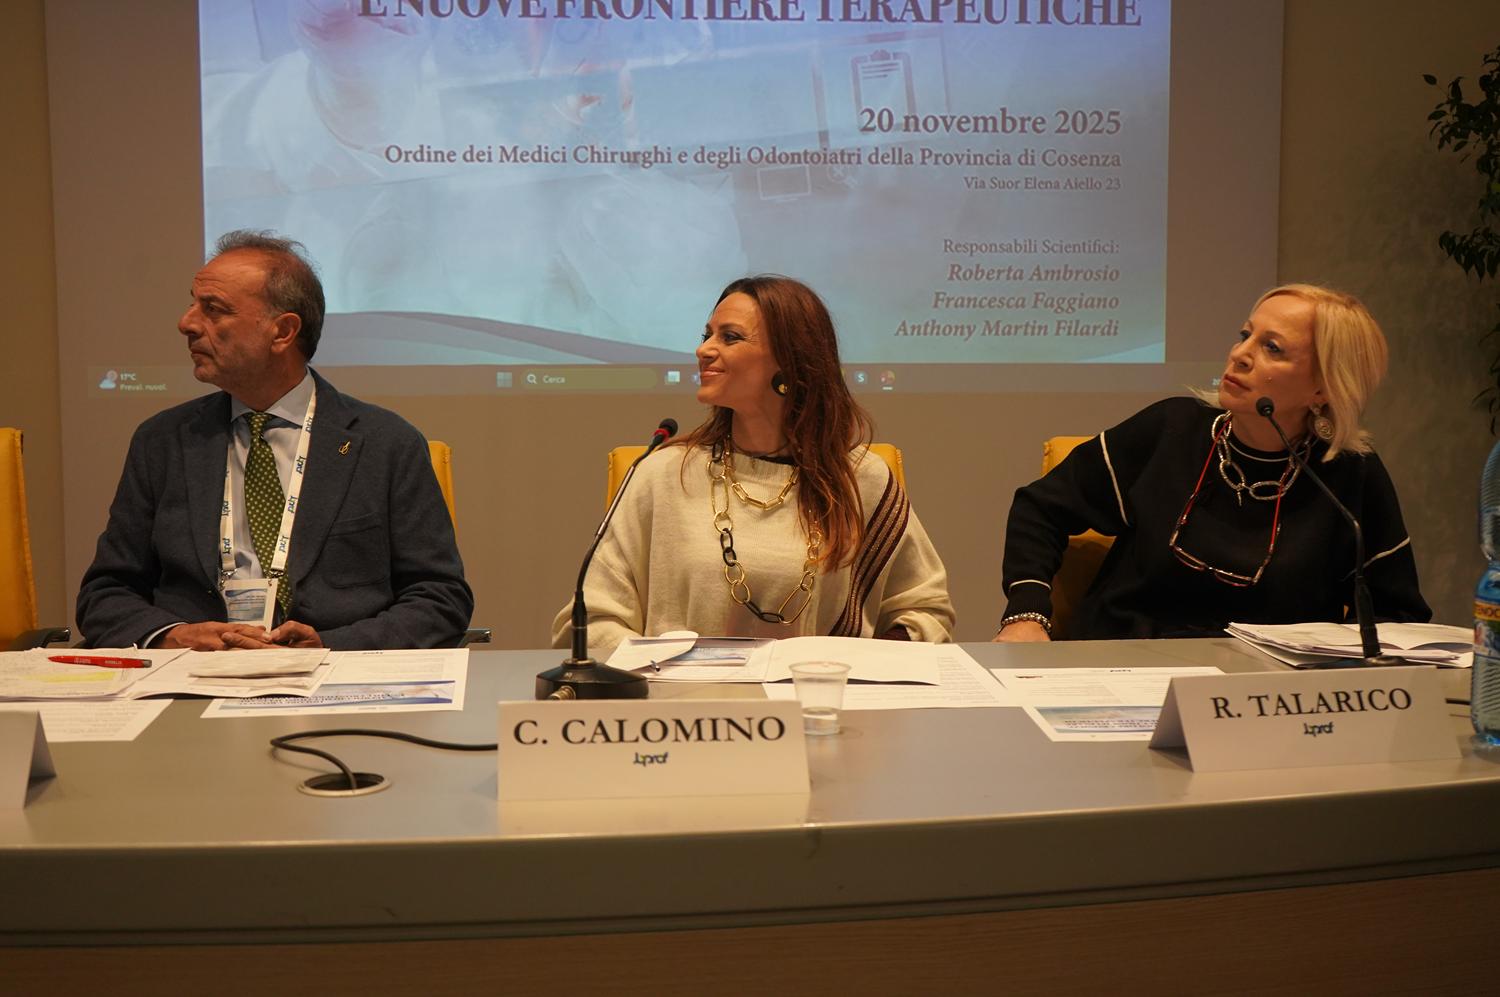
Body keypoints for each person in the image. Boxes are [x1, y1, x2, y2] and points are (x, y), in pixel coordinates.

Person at [77, 230, 473, 651]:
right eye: (193, 304)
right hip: (193, 674)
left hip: (337, 675)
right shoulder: (163, 442)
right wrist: (176, 635)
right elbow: (106, 595)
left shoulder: (385, 443)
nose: (186, 323)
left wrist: (330, 646)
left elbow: (440, 597)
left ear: (282, 332)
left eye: (213, 309)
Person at [996, 283, 1431, 642]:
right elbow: (1041, 509)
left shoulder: (1350, 474)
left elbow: (1397, 616)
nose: (1240, 354)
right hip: (1123, 669)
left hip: (1266, 696)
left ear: (1323, 388)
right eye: (1245, 335)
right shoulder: (1170, 430)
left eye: (1272, 348)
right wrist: (1027, 615)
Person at [552, 275, 954, 657]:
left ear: (790, 362)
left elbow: (924, 612)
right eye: (707, 335)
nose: (704, 350)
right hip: (681, 700)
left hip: (820, 698)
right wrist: (662, 674)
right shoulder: (661, 474)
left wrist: (861, 668)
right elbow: (592, 620)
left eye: (730, 337)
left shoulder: (860, 479)